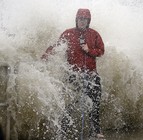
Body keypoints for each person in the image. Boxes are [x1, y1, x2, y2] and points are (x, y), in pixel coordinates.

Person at [41, 8, 105, 139]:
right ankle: (64, 129)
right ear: (76, 20)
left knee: (95, 103)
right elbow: (57, 45)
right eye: (80, 19)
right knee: (71, 102)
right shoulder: (68, 33)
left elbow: (101, 51)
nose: (82, 21)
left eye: (85, 19)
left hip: (91, 75)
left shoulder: (94, 34)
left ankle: (95, 130)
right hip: (73, 74)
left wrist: (89, 50)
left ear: (89, 21)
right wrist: (45, 56)